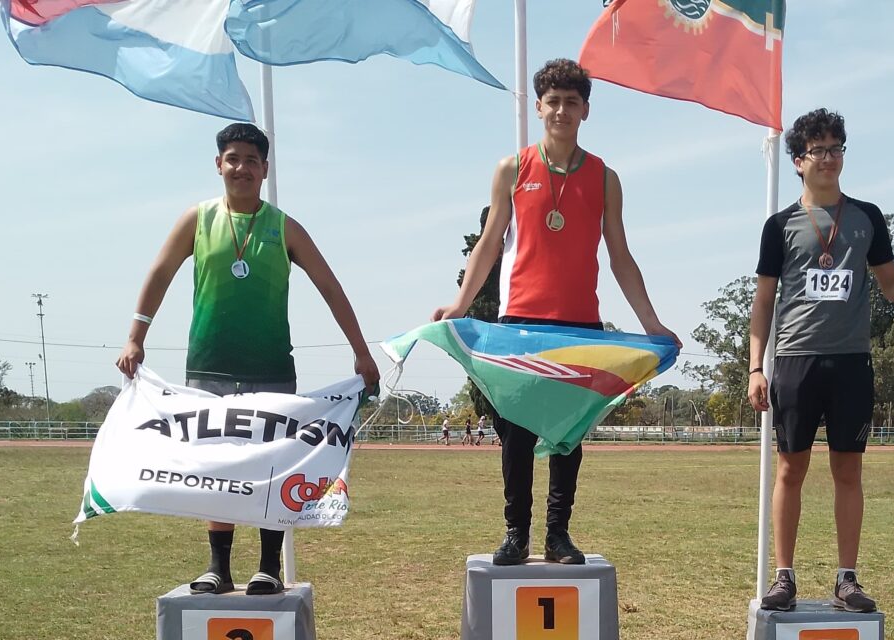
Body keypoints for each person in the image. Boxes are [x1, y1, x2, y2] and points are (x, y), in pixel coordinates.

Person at [115, 122, 380, 596]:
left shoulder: (284, 227)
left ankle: (269, 567)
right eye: (233, 158)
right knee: (217, 468)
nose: (241, 168)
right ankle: (218, 566)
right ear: (218, 164)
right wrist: (136, 335)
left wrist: (361, 352)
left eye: (251, 161)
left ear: (265, 170)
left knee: (272, 465)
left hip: (271, 369)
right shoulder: (197, 220)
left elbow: (330, 287)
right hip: (208, 366)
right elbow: (160, 272)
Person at [432, 59, 679, 566]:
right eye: (553, 101)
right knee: (516, 434)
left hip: (580, 327)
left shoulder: (605, 177)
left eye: (572, 101)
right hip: (520, 323)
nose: (561, 110)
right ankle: (515, 533)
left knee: (568, 434)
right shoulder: (512, 168)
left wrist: (651, 323)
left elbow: (620, 255)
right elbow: (489, 244)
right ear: (539, 107)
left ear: (585, 110)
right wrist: (458, 303)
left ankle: (557, 535)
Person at [748, 108, 894, 613]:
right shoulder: (780, 226)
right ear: (797, 161)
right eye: (819, 150)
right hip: (795, 361)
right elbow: (764, 302)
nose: (829, 158)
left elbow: (891, 285)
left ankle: (847, 579)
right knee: (790, 471)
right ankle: (784, 577)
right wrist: (756, 367)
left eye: (837, 148)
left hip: (851, 363)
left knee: (848, 472)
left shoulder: (867, 218)